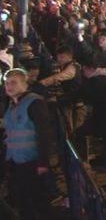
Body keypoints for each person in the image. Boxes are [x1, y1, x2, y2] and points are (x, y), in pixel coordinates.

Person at [3, 68, 53, 220]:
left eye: (13, 83)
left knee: (37, 201)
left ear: (25, 85)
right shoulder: (12, 104)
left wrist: (43, 162)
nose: (9, 86)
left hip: (32, 162)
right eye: (6, 83)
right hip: (15, 161)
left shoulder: (34, 103)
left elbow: (44, 134)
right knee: (23, 201)